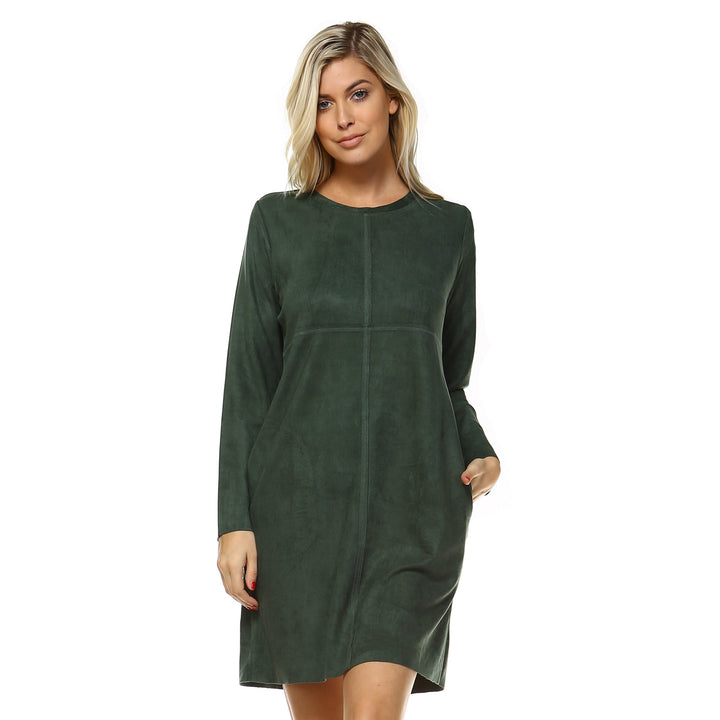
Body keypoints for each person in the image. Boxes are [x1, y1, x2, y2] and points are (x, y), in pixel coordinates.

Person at [216, 20, 501, 720]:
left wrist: (477, 446)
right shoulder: (278, 223)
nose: (342, 117)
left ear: (393, 99)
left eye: (359, 93)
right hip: (299, 516)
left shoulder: (448, 228)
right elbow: (248, 384)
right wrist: (234, 522)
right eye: (323, 103)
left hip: (415, 513)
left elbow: (448, 377)